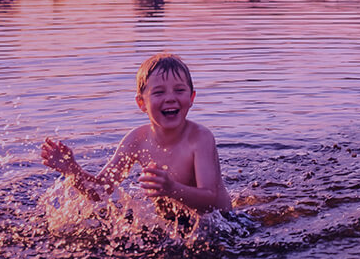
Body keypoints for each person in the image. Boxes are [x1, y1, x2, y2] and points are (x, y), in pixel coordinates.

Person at [39, 53, 230, 213]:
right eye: (158, 93)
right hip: (173, 223)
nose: (170, 98)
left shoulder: (200, 138)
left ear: (191, 98)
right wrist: (72, 170)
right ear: (141, 103)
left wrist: (172, 189)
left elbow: (209, 199)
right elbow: (100, 191)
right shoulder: (137, 140)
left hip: (223, 223)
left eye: (179, 90)